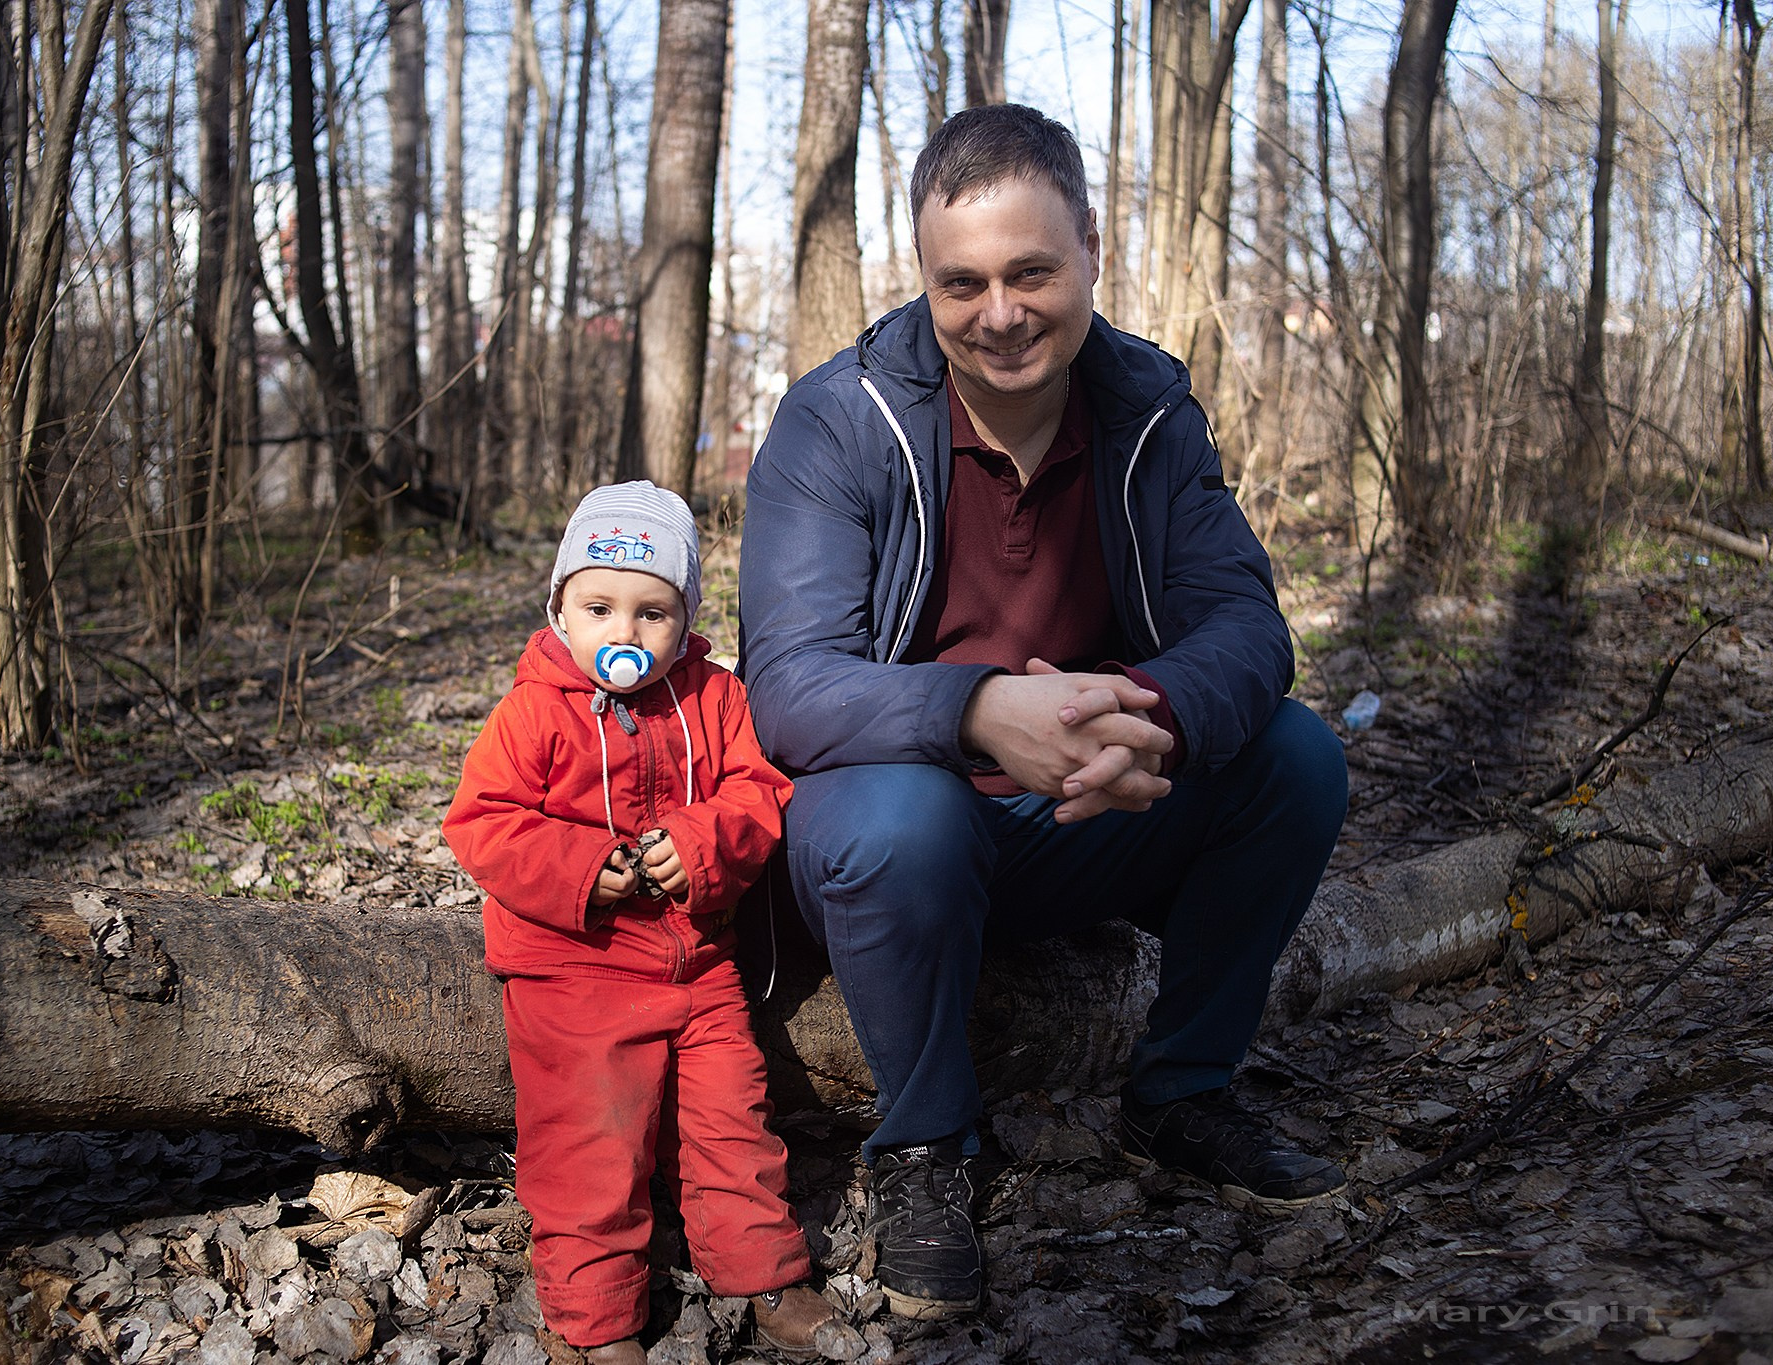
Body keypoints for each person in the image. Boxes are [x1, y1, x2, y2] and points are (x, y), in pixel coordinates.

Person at [738, 104, 1351, 1320]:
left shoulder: (1150, 411)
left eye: (1031, 271)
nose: (999, 312)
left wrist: (1153, 713)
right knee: (898, 819)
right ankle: (923, 1148)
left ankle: (1178, 1092)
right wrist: (978, 711)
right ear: (924, 278)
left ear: (1089, 251)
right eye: (959, 283)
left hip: (1090, 808)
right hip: (900, 830)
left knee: (1296, 758)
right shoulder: (839, 420)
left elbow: (1245, 626)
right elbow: (791, 687)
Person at [444, 482, 860, 1364]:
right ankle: (594, 1323)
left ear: (686, 617)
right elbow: (482, 823)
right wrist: (585, 869)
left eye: (652, 613)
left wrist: (702, 845)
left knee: (731, 1126)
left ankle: (761, 1272)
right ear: (560, 608)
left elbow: (756, 791)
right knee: (589, 1145)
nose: (624, 634)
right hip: (575, 971)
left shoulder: (712, 697)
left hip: (698, 965)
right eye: (599, 608)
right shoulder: (533, 710)